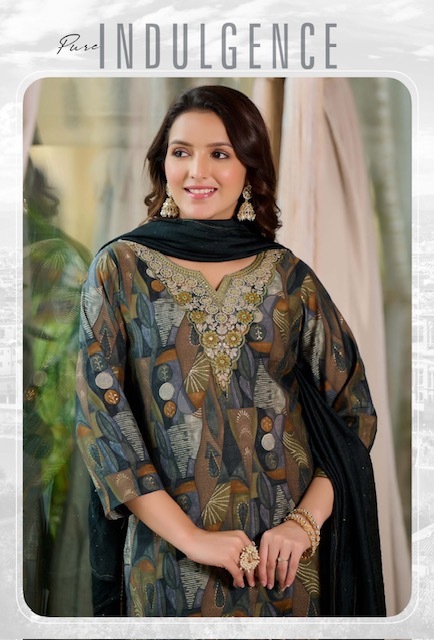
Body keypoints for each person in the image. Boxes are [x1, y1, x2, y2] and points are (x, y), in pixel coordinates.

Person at [76, 85, 386, 617]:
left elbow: (353, 414)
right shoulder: (120, 270)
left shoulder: (288, 276)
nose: (197, 171)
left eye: (219, 153)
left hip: (285, 565)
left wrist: (302, 525)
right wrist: (193, 540)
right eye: (181, 152)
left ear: (249, 168)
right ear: (163, 163)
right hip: (171, 564)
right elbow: (104, 427)